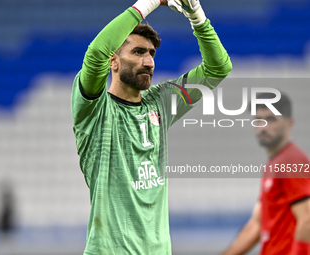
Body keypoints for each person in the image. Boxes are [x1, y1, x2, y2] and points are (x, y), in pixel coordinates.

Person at [71, 0, 232, 254]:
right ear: (113, 61)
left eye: (151, 54)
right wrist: (150, 2)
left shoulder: (160, 103)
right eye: (138, 52)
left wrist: (196, 15)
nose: (149, 62)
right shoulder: (94, 110)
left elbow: (218, 68)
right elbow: (95, 54)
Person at [221, 93, 310, 255]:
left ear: (289, 123)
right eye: (258, 119)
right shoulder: (274, 164)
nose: (263, 126)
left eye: (271, 119)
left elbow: (307, 219)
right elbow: (256, 224)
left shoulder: (291, 160)